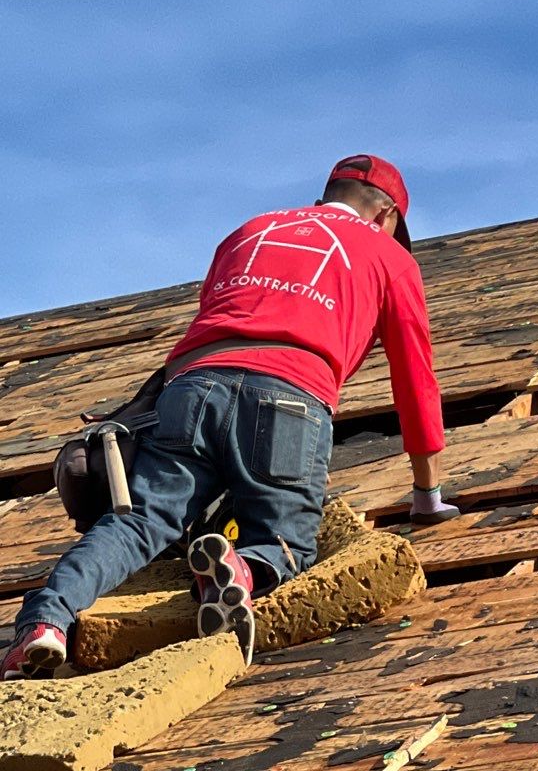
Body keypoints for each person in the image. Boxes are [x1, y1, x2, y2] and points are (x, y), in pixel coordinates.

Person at [1, 154, 458, 680]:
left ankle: (44, 621)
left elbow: (214, 316)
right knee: (285, 540)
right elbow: (415, 379)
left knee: (137, 523)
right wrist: (426, 497)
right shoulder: (389, 257)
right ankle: (238, 567)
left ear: (323, 198)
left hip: (192, 389)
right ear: (386, 218)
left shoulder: (249, 231)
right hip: (291, 393)